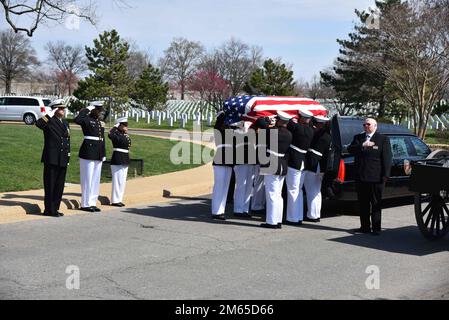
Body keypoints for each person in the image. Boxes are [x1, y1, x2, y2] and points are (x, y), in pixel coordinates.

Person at [347, 118, 392, 235]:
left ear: (375, 126)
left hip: (376, 177)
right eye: (364, 124)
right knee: (363, 203)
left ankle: (376, 228)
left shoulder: (382, 139)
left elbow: (387, 158)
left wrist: (386, 175)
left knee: (376, 203)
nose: (365, 126)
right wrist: (362, 145)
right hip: (361, 176)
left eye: (368, 124)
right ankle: (365, 227)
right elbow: (350, 149)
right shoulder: (358, 138)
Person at [35, 99, 70, 217]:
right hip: (51, 158)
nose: (63, 110)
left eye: (63, 108)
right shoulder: (49, 121)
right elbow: (39, 124)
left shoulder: (65, 123)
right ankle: (48, 210)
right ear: (55, 109)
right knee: (50, 185)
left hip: (62, 158)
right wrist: (49, 114)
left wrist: (67, 157)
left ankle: (55, 208)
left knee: (59, 186)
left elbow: (66, 141)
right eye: (60, 108)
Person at [259, 111, 293, 229]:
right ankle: (277, 220)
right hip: (282, 164)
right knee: (278, 194)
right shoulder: (289, 134)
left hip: (272, 164)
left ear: (279, 120)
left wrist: (267, 120)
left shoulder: (272, 132)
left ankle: (272, 221)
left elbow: (260, 123)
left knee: (272, 194)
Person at [74, 101, 106, 213]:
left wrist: (103, 153)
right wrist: (87, 109)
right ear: (93, 109)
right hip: (88, 152)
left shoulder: (99, 122)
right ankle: (85, 203)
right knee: (87, 179)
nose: (100, 112)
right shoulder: (86, 119)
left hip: (98, 152)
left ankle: (92, 202)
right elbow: (77, 120)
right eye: (98, 110)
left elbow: (102, 139)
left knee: (95, 179)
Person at [285, 109, 314, 225]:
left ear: (301, 117)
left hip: (294, 162)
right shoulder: (311, 130)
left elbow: (287, 121)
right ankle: (298, 216)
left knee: (292, 190)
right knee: (299, 190)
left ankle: (292, 218)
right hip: (303, 162)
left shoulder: (297, 128)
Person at [303, 115, 332, 223]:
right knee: (316, 191)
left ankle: (312, 215)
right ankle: (315, 214)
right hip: (321, 166)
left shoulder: (315, 133)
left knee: (311, 191)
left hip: (313, 164)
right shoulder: (328, 135)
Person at [211, 111, 234, 220]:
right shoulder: (218, 131)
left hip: (229, 160)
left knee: (225, 187)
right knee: (219, 186)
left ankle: (221, 210)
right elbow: (218, 125)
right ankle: (216, 211)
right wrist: (223, 115)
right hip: (220, 160)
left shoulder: (230, 130)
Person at [232, 122, 256, 218]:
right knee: (241, 185)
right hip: (240, 161)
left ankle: (245, 209)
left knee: (249, 186)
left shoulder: (253, 132)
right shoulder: (237, 131)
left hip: (251, 161)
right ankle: (238, 209)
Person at [109, 117, 131, 207]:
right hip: (117, 158)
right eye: (124, 125)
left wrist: (124, 132)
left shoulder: (124, 134)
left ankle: (119, 199)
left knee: (122, 181)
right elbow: (110, 135)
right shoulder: (115, 133)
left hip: (125, 158)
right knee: (117, 180)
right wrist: (115, 126)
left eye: (126, 125)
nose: (126, 126)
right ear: (120, 125)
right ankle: (115, 200)